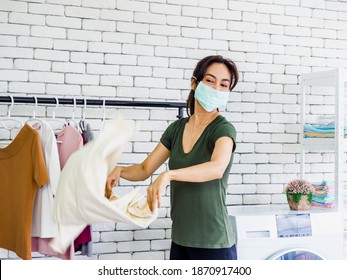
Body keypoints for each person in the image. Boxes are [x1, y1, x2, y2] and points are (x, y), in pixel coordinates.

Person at [106, 55, 239, 260]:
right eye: (210, 81)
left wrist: (168, 175)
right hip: (180, 238)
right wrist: (120, 171)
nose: (216, 89)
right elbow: (144, 169)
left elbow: (216, 168)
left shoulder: (223, 129)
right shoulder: (176, 129)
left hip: (213, 242)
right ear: (194, 83)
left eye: (224, 85)